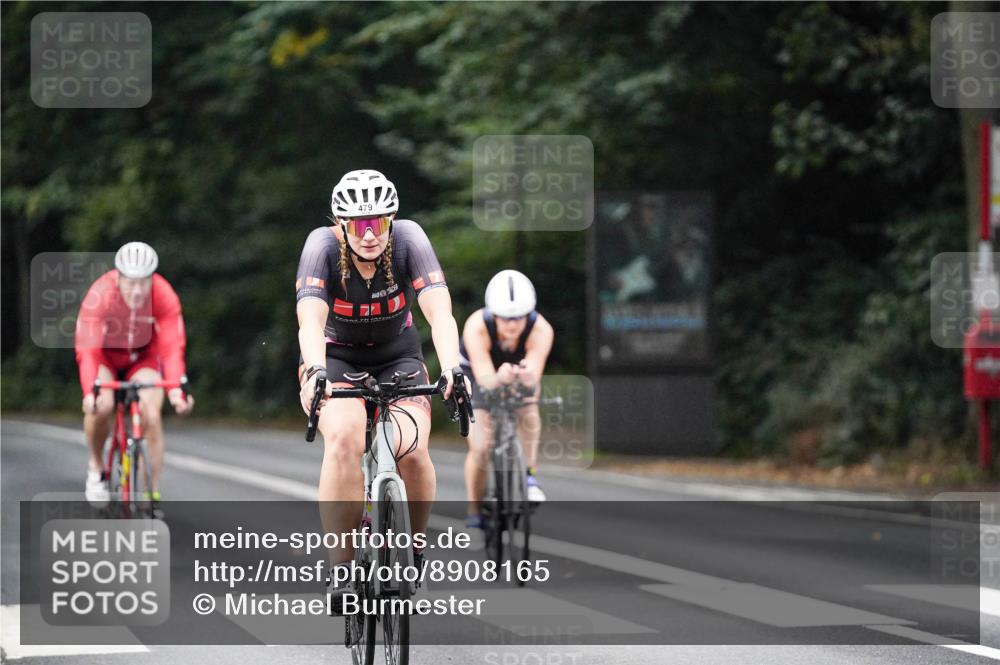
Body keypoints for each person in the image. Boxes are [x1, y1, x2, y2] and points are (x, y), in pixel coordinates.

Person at [295, 169, 468, 609]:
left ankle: (413, 551)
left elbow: (441, 315)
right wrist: (315, 370)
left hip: (399, 356)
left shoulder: (409, 240)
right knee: (345, 440)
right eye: (359, 224)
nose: (370, 235)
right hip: (336, 357)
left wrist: (452, 367)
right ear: (341, 225)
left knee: (412, 450)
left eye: (379, 223)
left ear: (392, 220)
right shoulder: (321, 247)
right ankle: (342, 569)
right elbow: (310, 321)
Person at [75, 241, 195, 517]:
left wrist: (178, 389)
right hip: (105, 357)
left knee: (151, 414)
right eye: (131, 283)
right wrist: (89, 392)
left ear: (152, 278)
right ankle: (96, 467)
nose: (138, 291)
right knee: (101, 406)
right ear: (117, 277)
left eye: (144, 283)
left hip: (143, 359)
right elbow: (88, 350)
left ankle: (151, 494)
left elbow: (172, 346)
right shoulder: (100, 295)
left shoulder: (164, 295)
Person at [459, 269, 554, 532]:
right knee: (481, 447)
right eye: (505, 319)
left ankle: (529, 476)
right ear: (492, 314)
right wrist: (499, 376)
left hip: (512, 373)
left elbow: (533, 378)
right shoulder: (477, 326)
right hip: (478, 375)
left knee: (529, 407)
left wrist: (525, 377)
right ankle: (475, 511)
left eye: (519, 318)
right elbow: (485, 378)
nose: (512, 325)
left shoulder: (541, 329)